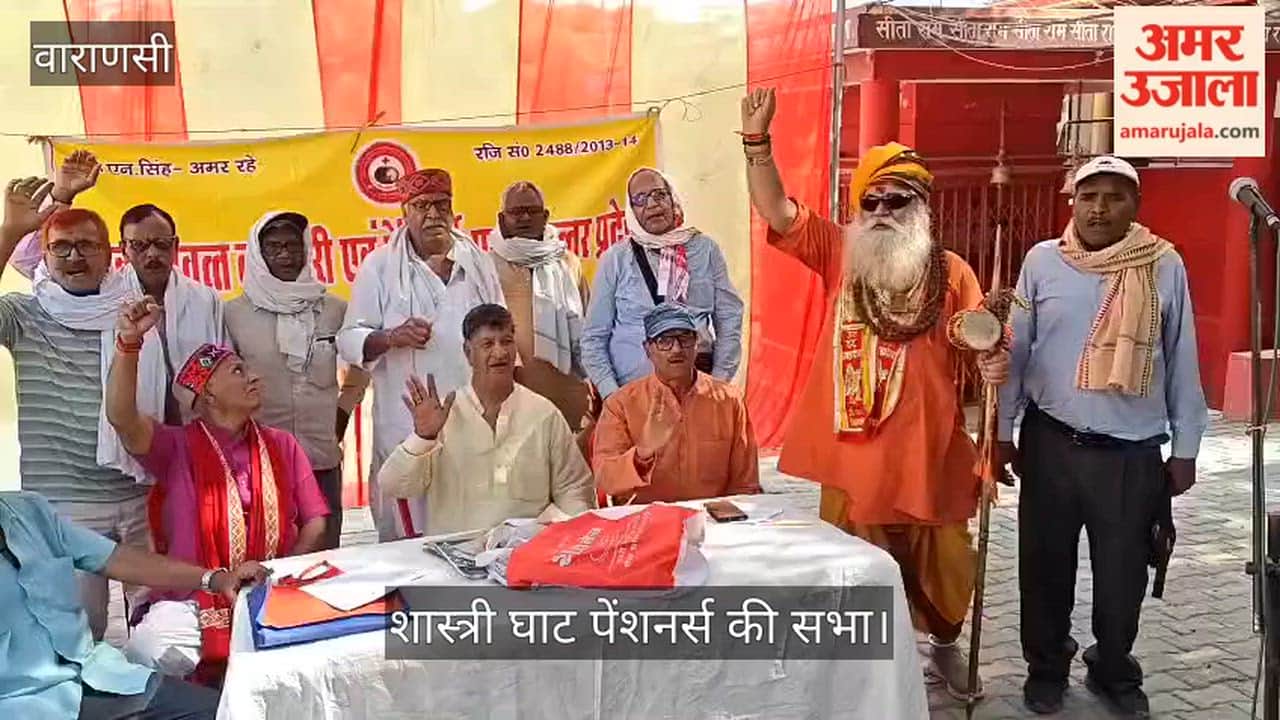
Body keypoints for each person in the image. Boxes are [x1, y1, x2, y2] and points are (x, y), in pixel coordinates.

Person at [739, 88, 1010, 698]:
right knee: (852, 563)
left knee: (943, 561)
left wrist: (993, 354)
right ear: (858, 207)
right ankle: (865, 677)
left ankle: (943, 649)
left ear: (921, 207)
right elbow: (778, 210)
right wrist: (758, 143)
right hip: (853, 455)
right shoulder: (841, 253)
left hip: (929, 452)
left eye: (898, 199)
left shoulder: (950, 270)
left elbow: (979, 338)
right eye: (873, 199)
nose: (883, 209)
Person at [997, 156, 1208, 716]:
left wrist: (1185, 449)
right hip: (1051, 444)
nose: (1099, 208)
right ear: (1072, 201)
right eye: (1088, 196)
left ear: (1135, 206)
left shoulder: (1164, 266)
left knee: (1122, 577)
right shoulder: (1042, 262)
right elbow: (1016, 351)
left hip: (1130, 454)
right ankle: (1045, 668)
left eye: (1114, 197)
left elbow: (1182, 357)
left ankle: (1114, 668)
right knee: (1043, 567)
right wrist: (1000, 431)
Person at [105, 305, 329, 682]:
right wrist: (129, 345)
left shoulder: (282, 444)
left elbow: (316, 522)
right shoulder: (175, 448)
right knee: (146, 652)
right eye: (238, 371)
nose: (254, 376)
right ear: (207, 392)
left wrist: (277, 574)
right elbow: (122, 419)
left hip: (271, 592)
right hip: (193, 603)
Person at [0, 179, 151, 642]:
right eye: (60, 247)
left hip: (142, 493)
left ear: (109, 254)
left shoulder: (138, 311)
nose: (73, 257)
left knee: (161, 629)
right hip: (65, 506)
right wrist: (10, 231)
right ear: (43, 257)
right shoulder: (23, 316)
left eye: (86, 245)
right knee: (81, 635)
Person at [338, 168, 505, 541]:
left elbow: (500, 330)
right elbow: (348, 339)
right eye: (421, 205)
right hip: (407, 424)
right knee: (409, 529)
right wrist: (391, 337)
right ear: (404, 212)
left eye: (441, 205)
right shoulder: (379, 266)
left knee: (473, 528)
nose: (433, 215)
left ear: (453, 209)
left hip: (472, 415)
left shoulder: (476, 263)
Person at [0, 490, 267, 718]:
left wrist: (216, 579)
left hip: (104, 677)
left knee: (231, 712)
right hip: (24, 704)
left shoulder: (27, 512)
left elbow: (114, 557)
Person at [8, 164, 225, 430]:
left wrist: (195, 397)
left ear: (176, 245)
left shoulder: (204, 299)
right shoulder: (106, 293)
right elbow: (32, 260)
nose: (152, 254)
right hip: (135, 435)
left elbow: (218, 357)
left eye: (161, 243)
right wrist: (62, 199)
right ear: (123, 249)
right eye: (140, 245)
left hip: (196, 432)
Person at [377, 304, 595, 534]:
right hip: (455, 551)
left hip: (525, 552)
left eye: (507, 341)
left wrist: (557, 534)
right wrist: (424, 436)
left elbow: (574, 490)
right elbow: (393, 485)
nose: (500, 352)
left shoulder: (543, 413)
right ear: (468, 353)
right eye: (488, 344)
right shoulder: (442, 415)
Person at [226, 210, 370, 550]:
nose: (286, 255)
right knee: (267, 566)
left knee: (323, 567)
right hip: (258, 467)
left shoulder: (334, 309)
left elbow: (361, 364)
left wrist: (341, 415)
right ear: (258, 255)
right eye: (274, 247)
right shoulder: (233, 315)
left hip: (321, 459)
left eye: (293, 246)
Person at [581, 167, 744, 399]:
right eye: (640, 199)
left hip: (699, 391)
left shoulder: (705, 249)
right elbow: (593, 338)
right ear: (631, 211)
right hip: (633, 397)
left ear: (673, 199)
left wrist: (717, 383)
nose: (652, 205)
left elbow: (729, 320)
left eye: (659, 195)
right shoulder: (616, 259)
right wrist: (612, 397)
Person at [592, 303, 760, 504]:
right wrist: (643, 453)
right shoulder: (620, 405)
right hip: (645, 520)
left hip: (712, 521)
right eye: (664, 341)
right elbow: (605, 479)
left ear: (697, 343)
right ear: (647, 349)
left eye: (685, 338)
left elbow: (745, 484)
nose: (677, 348)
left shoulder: (728, 401)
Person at [486, 181, 591, 429]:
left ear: (545, 217)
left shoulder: (568, 262)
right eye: (516, 212)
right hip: (513, 394)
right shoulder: (487, 266)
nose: (524, 217)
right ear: (502, 219)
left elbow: (589, 326)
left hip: (568, 391)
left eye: (532, 211)